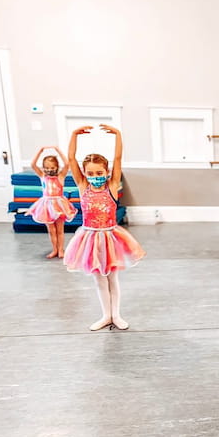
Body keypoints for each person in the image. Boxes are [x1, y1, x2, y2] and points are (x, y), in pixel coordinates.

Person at [63, 125, 145, 331]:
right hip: (89, 238)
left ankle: (116, 315)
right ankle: (105, 315)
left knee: (113, 278)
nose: (95, 175)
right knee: (99, 279)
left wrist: (118, 134)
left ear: (106, 171)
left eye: (99, 172)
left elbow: (117, 159)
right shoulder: (83, 186)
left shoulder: (111, 185)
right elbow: (71, 159)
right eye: (91, 172)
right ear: (85, 173)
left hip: (110, 237)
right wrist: (73, 136)